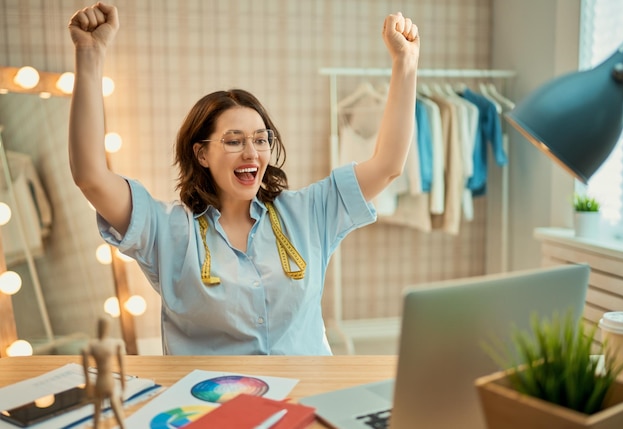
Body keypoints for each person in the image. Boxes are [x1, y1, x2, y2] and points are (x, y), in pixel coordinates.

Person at [68, 2, 420, 355]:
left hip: (303, 396)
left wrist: (405, 62)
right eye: (234, 141)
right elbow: (91, 178)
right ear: (201, 154)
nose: (251, 152)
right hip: (212, 402)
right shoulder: (169, 231)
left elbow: (388, 164)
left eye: (261, 139)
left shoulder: (309, 212)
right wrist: (90, 53)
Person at [81, 317, 126, 429]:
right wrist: (123, 387)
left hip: (101, 381)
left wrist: (88, 388)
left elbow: (85, 368)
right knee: (113, 406)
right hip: (107, 381)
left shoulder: (93, 345)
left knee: (97, 409)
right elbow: (122, 368)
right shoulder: (113, 343)